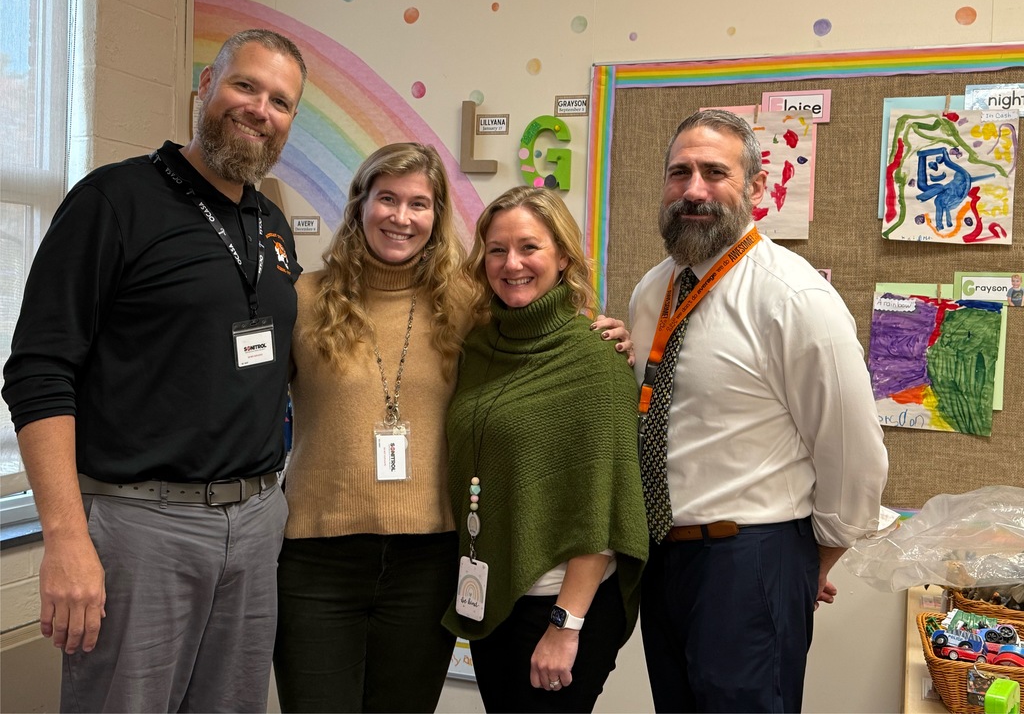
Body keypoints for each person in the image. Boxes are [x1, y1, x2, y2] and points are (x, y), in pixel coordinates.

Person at [1, 28, 307, 712]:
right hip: (143, 524)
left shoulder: (272, 223)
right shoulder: (113, 201)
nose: (261, 109)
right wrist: (65, 537)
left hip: (257, 522)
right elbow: (38, 371)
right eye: (245, 86)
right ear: (205, 86)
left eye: (281, 102)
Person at [274, 147, 632, 713]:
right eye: (387, 198)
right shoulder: (301, 300)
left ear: (437, 216)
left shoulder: (466, 304)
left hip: (427, 561)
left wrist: (600, 331)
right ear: (359, 205)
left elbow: (539, 331)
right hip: (318, 559)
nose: (401, 216)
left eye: (420, 203)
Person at [629, 109, 888, 713]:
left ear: (755, 188)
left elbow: (855, 453)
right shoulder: (652, 291)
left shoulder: (794, 297)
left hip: (751, 559)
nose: (693, 189)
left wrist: (810, 559)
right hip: (663, 561)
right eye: (679, 173)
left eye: (714, 172)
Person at [443, 186, 649, 713]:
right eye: (496, 249)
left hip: (560, 610)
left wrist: (566, 624)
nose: (512, 263)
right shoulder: (479, 348)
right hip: (497, 601)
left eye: (529, 248)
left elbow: (604, 508)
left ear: (563, 257)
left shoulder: (596, 361)